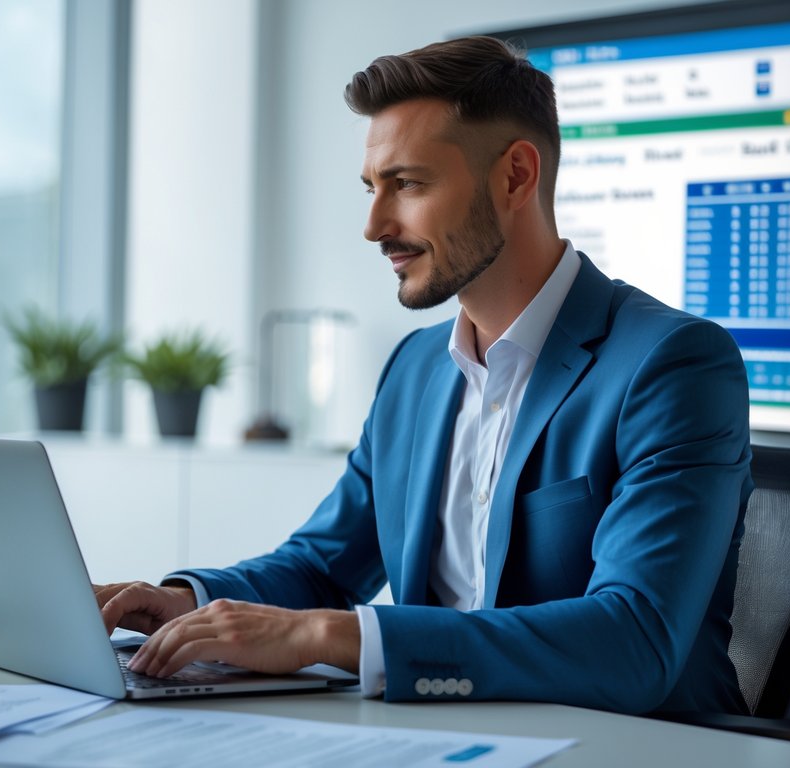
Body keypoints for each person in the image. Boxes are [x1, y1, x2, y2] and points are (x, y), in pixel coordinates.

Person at [96, 35, 752, 716]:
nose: (375, 225)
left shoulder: (671, 363)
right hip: (441, 738)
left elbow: (632, 640)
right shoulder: (413, 370)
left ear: (514, 177)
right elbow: (323, 566)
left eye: (407, 184)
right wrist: (180, 602)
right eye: (371, 189)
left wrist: (326, 634)